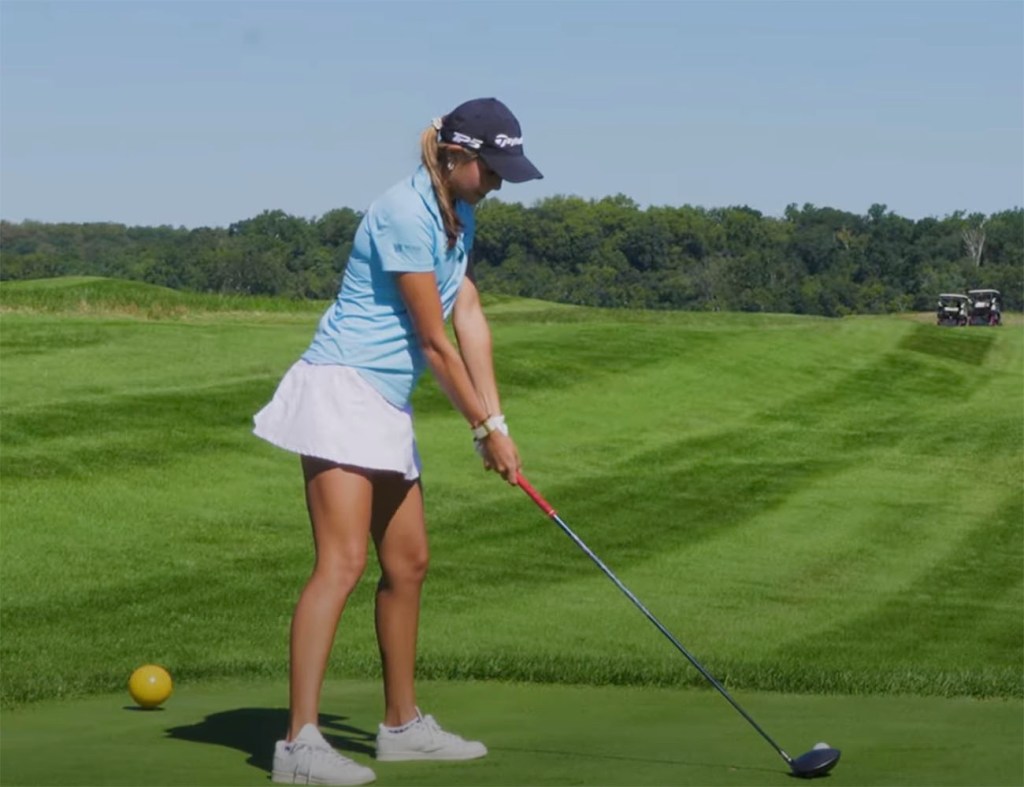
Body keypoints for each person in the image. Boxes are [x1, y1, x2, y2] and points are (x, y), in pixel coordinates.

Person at [253, 97, 543, 786]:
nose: (498, 182)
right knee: (343, 561)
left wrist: (496, 422)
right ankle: (298, 743)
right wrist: (480, 429)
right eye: (491, 168)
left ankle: (401, 725)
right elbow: (434, 344)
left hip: (382, 401)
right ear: (456, 156)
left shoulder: (457, 213)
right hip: (340, 389)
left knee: (408, 561)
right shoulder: (404, 211)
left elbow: (466, 310)